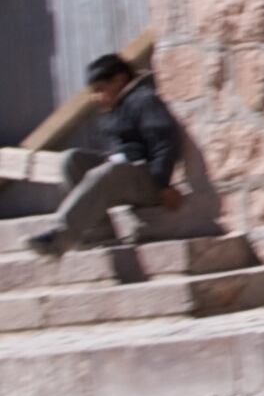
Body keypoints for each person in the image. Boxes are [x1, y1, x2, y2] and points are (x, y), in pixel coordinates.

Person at [21, 54, 192, 255]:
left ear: (120, 80)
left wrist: (163, 184)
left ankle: (61, 237)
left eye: (101, 89)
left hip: (148, 181)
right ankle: (99, 235)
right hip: (122, 176)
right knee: (72, 160)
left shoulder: (144, 100)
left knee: (110, 172)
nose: (96, 97)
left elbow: (164, 142)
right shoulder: (115, 109)